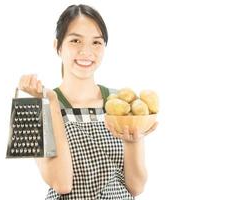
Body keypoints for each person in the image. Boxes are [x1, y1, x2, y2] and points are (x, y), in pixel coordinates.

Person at [18, 4, 158, 200]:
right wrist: (51, 102)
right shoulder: (35, 107)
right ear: (57, 46)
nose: (86, 51)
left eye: (96, 43)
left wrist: (132, 142)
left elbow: (136, 187)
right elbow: (62, 183)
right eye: (75, 40)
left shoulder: (121, 104)